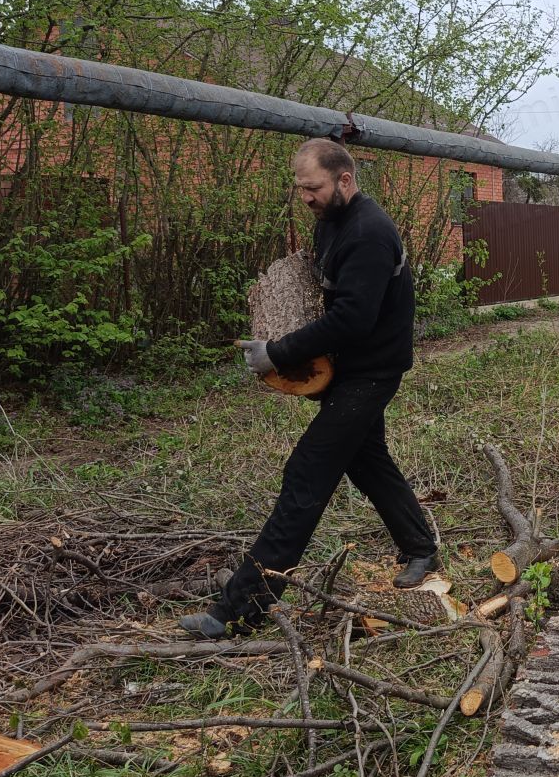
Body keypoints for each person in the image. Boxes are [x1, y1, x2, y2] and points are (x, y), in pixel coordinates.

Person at [179, 138, 439, 639]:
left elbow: (352, 320)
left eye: (313, 187)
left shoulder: (368, 232)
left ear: (344, 179)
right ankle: (421, 548)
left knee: (307, 473)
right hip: (348, 370)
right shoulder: (331, 223)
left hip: (372, 371)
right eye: (300, 189)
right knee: (368, 461)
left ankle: (237, 611)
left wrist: (278, 353)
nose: (306, 198)